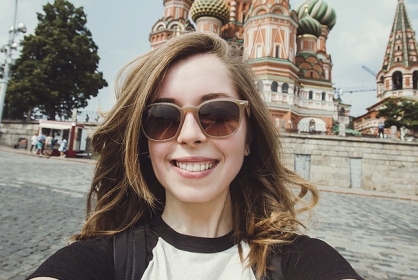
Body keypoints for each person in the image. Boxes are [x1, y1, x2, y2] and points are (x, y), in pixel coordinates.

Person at [28, 32, 362, 280]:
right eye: (161, 118)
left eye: (218, 114)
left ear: (250, 137)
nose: (190, 135)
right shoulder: (102, 260)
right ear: (142, 142)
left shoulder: (300, 261)